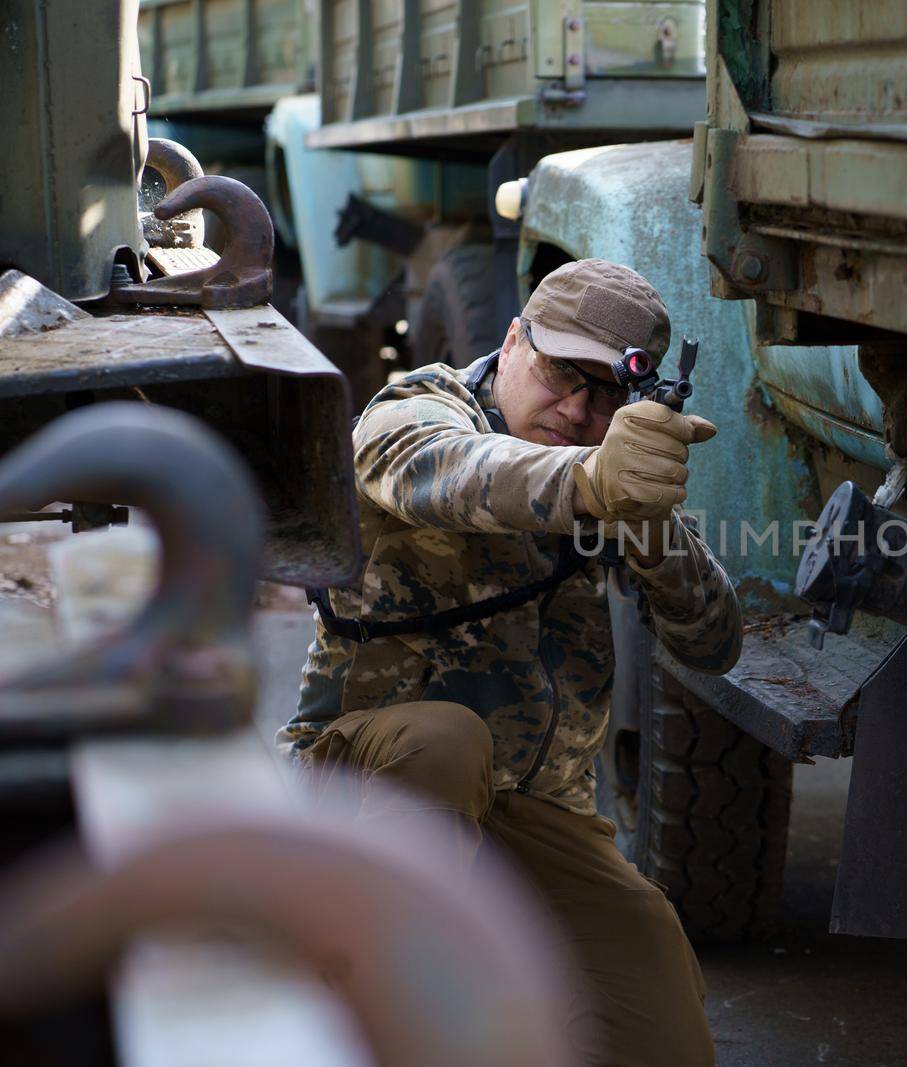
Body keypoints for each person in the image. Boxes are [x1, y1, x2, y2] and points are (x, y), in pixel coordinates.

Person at [280, 259, 741, 1066]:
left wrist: (649, 522)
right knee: (443, 740)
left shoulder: (604, 461)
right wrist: (591, 481)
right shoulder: (419, 410)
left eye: (606, 392)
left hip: (531, 815)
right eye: (564, 372)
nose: (578, 407)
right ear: (512, 339)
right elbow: (450, 473)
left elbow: (713, 640)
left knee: (656, 996)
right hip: (362, 785)